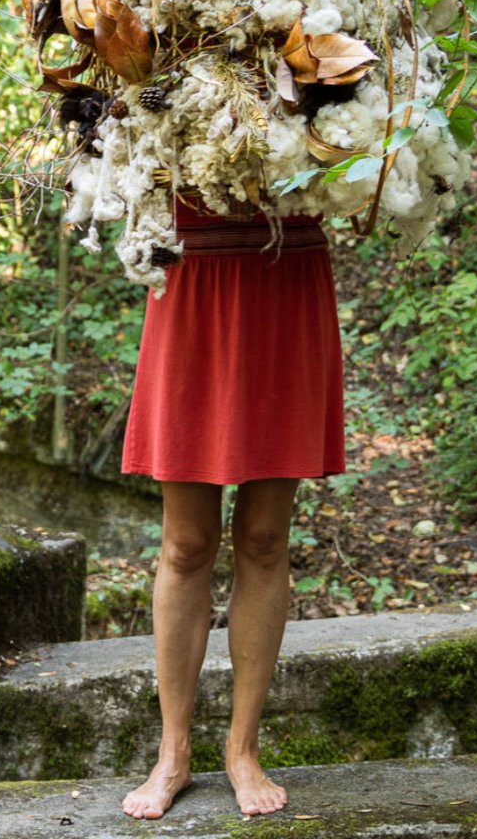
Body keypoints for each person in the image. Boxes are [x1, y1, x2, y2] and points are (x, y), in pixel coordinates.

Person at [119, 197, 345, 820]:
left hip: (286, 269)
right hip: (191, 268)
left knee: (267, 536)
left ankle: (243, 750)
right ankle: (174, 752)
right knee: (186, 543)